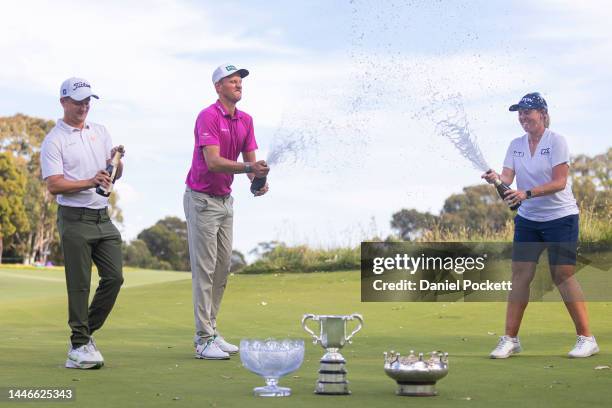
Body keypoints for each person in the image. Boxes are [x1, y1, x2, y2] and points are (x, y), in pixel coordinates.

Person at [482, 92, 598, 359]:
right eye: (520, 113)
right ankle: (510, 339)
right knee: (520, 275)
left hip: (561, 218)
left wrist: (526, 194)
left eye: (527, 112)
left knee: (562, 275)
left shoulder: (556, 141)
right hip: (529, 220)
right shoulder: (515, 144)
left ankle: (586, 339)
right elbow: (508, 178)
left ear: (543, 114)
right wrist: (496, 179)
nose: (523, 117)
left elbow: (559, 182)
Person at [184, 64, 269, 360]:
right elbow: (214, 162)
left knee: (222, 269)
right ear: (218, 87)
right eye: (232, 81)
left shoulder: (246, 120)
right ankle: (202, 338)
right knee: (205, 269)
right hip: (201, 199)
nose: (238, 85)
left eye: (240, 81)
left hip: (224, 200)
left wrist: (258, 181)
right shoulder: (207, 116)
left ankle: (212, 330)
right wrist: (249, 168)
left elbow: (250, 162)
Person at [41, 77, 125, 369]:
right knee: (79, 285)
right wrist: (90, 181)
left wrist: (117, 163)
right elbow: (54, 185)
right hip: (74, 219)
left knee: (114, 278)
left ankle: (84, 335)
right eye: (78, 101)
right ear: (64, 102)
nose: (84, 106)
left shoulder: (100, 131)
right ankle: (78, 347)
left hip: (102, 217)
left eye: (88, 100)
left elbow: (112, 175)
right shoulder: (54, 140)